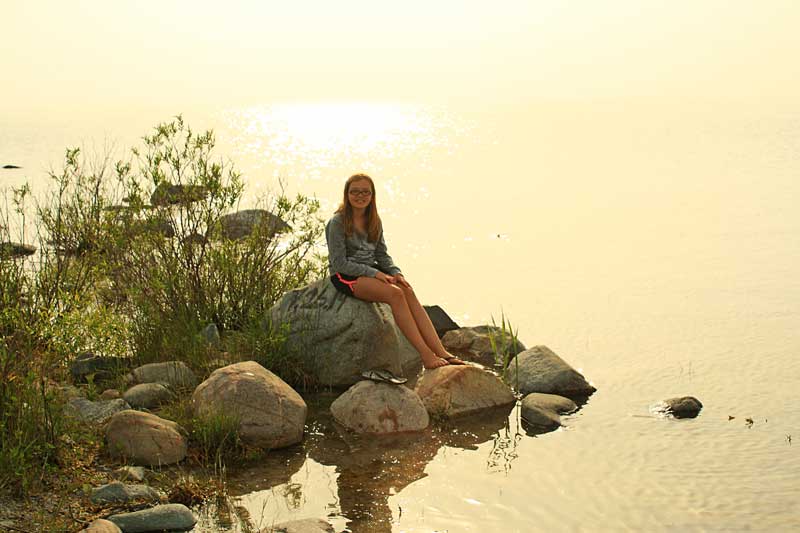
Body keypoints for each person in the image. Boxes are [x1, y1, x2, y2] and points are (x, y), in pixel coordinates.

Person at [325, 173, 466, 370]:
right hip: (346, 276)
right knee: (395, 294)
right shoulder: (338, 222)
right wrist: (375, 274)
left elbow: (382, 255)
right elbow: (339, 263)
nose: (360, 196)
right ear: (346, 194)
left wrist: (395, 272)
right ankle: (426, 356)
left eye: (365, 192)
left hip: (370, 271)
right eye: (354, 191)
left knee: (406, 289)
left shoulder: (373, 219)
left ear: (372, 195)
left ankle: (441, 351)